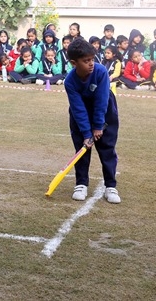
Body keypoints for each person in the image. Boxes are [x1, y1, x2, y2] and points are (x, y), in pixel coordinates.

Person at [64, 39, 120, 204]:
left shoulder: (100, 72)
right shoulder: (70, 81)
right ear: (74, 63)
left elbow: (101, 101)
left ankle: (110, 186)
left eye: (92, 59)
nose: (91, 64)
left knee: (107, 150)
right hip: (80, 116)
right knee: (82, 149)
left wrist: (98, 126)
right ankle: (81, 184)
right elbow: (78, 108)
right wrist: (87, 133)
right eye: (86, 61)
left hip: (105, 113)